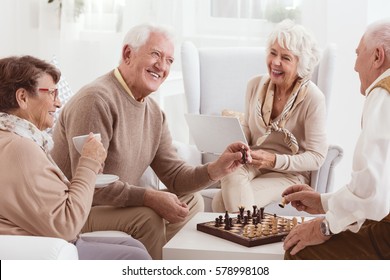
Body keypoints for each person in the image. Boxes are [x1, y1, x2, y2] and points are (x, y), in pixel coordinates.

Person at [51, 23, 250, 259]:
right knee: (148, 218)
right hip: (76, 210)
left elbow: (175, 176)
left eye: (169, 60)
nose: (162, 66)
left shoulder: (155, 113)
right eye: (155, 54)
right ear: (128, 54)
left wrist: (216, 169)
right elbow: (92, 186)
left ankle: (158, 263)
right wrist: (149, 197)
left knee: (191, 202)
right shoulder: (96, 100)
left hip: (112, 206)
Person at [0, 55, 151, 260]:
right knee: (136, 257)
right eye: (52, 93)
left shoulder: (14, 138)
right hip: (42, 246)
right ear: (23, 98)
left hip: (39, 236)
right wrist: (88, 163)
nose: (59, 102)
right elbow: (67, 225)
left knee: (133, 245)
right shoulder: (20, 149)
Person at [282, 19, 390, 260]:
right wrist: (324, 202)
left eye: (357, 54)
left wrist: (324, 227)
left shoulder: (384, 91)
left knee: (298, 251)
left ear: (377, 56)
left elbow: (372, 192)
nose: (354, 66)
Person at [212, 19, 328, 213]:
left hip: (289, 173)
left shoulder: (313, 98)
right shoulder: (254, 85)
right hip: (253, 163)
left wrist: (274, 160)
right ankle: (247, 239)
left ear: (301, 64)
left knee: (220, 201)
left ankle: (243, 237)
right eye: (273, 53)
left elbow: (317, 157)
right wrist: (231, 141)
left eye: (286, 57)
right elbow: (249, 132)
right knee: (231, 171)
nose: (275, 62)